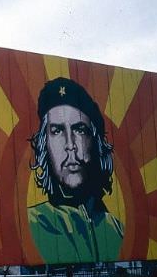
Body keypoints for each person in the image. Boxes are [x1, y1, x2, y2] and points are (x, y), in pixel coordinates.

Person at [27, 77, 124, 264]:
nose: (70, 145)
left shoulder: (116, 229)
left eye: (80, 129)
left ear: (95, 141)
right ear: (43, 145)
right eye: (57, 131)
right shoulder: (33, 224)